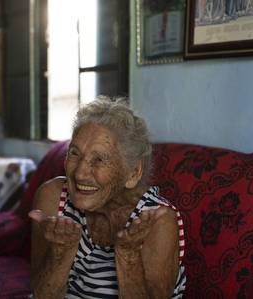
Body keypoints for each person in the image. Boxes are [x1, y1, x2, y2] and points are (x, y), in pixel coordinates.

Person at [28, 96, 186, 298]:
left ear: (133, 173)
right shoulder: (52, 197)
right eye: (75, 154)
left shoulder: (158, 220)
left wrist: (128, 258)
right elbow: (41, 294)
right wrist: (60, 256)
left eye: (99, 159)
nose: (80, 173)